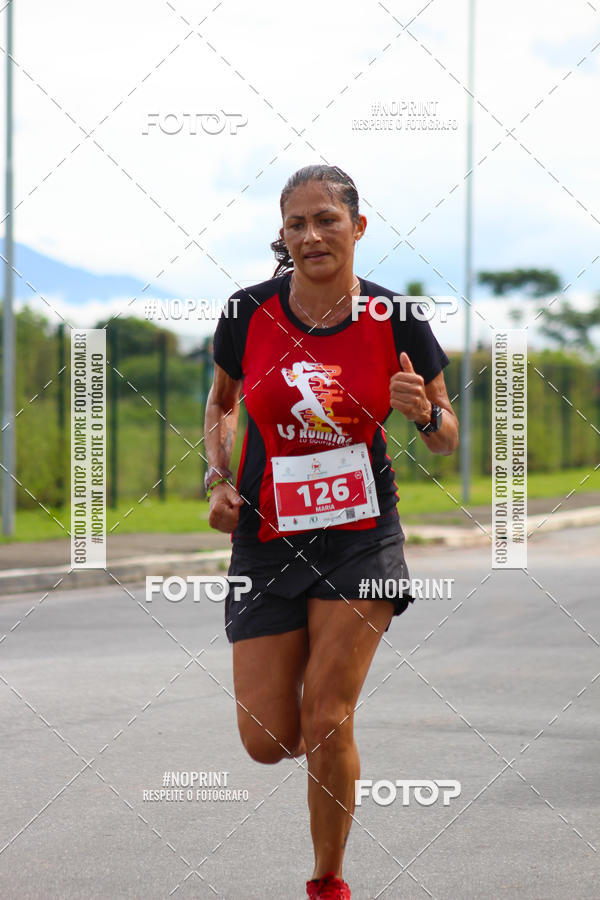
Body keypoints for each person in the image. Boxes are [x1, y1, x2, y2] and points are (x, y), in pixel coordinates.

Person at [204, 164, 459, 899]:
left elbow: (444, 435)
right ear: (282, 236)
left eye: (327, 219)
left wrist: (420, 412)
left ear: (358, 228)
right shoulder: (248, 312)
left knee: (326, 717)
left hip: (361, 534)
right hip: (266, 536)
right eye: (297, 223)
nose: (312, 234)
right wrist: (219, 480)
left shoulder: (395, 318)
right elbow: (222, 407)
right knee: (267, 738)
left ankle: (327, 881)